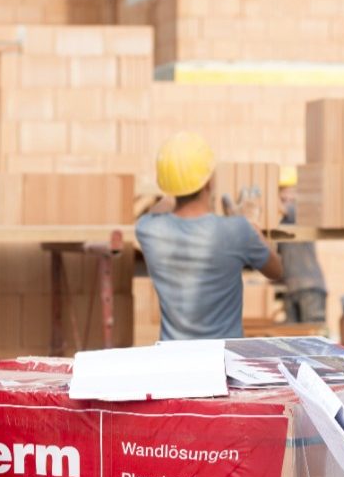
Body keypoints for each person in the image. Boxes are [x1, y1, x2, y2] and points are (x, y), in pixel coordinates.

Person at [135, 132, 283, 340]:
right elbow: (276, 270)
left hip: (173, 360)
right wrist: (252, 224)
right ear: (209, 183)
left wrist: (175, 185)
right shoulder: (237, 230)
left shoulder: (148, 230)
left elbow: (164, 205)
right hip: (220, 362)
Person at [275, 166, 327, 323]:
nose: (284, 194)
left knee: (313, 343)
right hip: (291, 289)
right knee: (294, 343)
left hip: (309, 288)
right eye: (281, 190)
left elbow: (282, 209)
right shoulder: (282, 220)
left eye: (288, 190)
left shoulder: (299, 209)